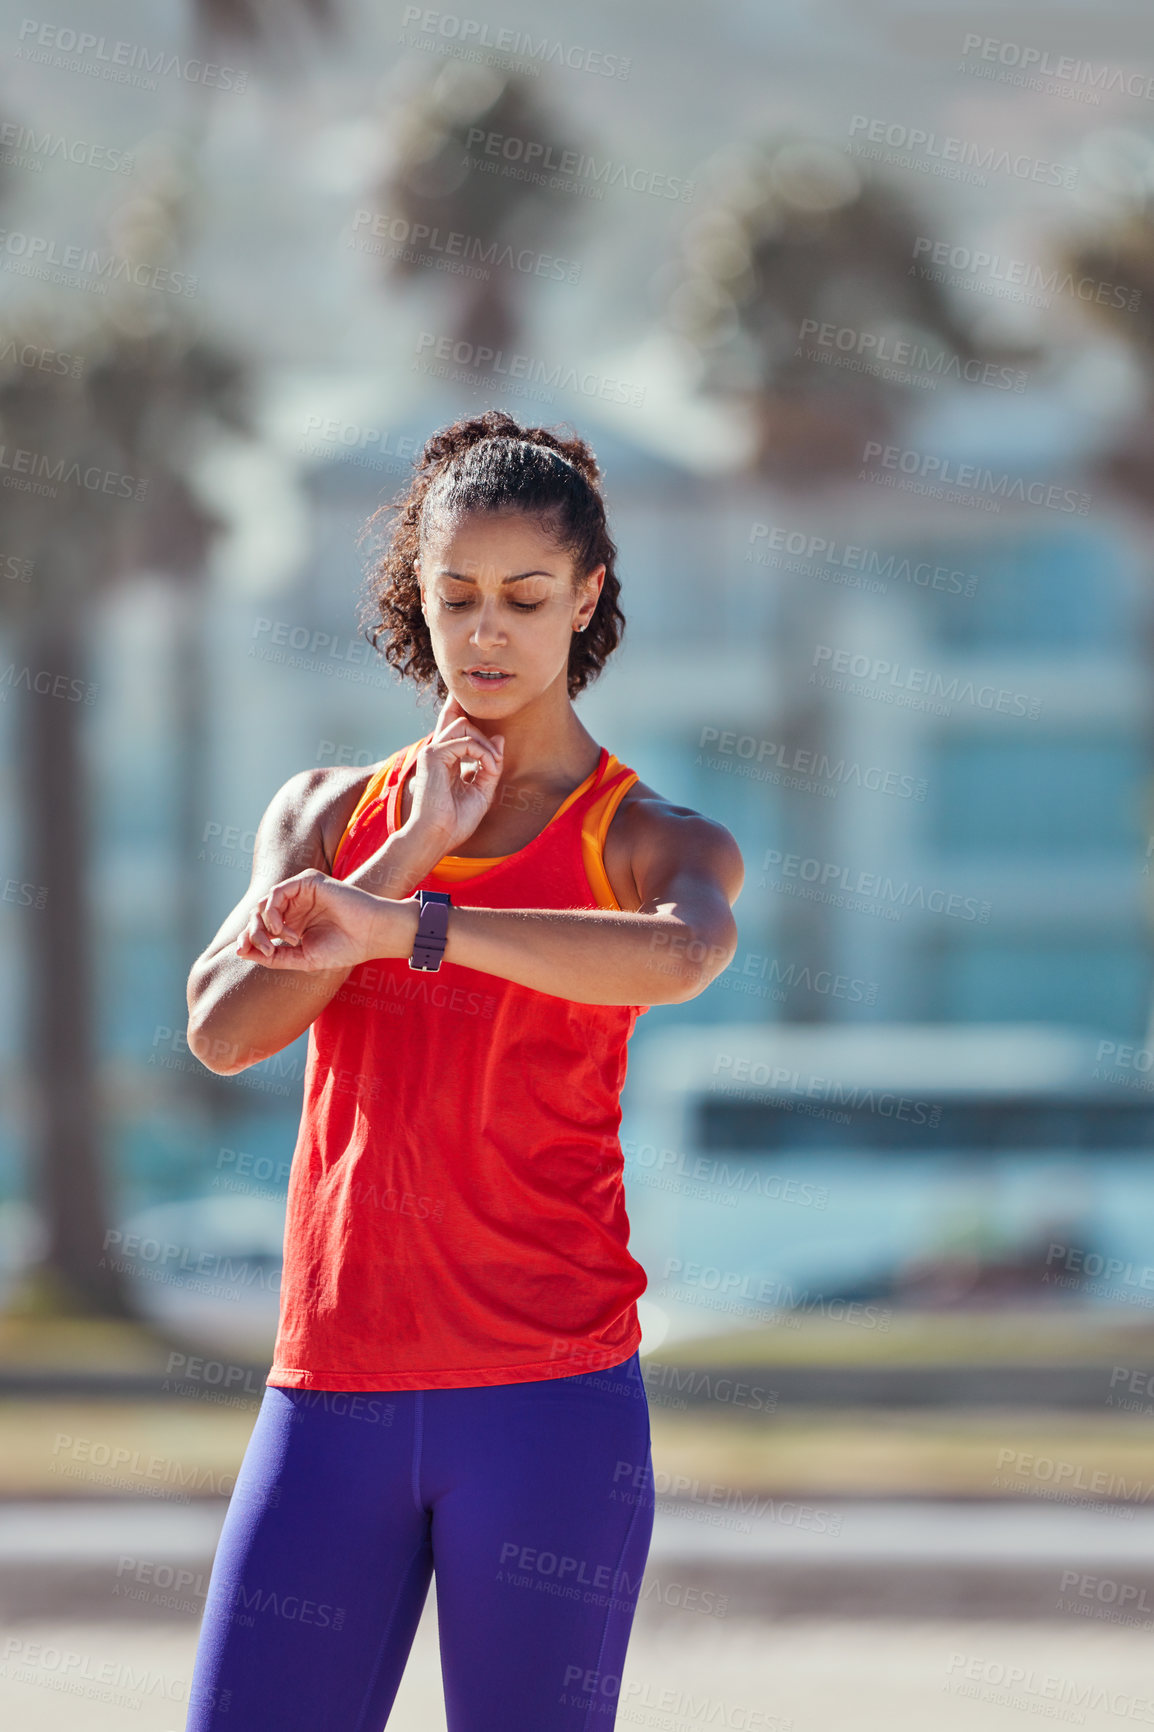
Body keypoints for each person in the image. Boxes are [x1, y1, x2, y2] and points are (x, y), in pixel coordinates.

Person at [182, 408, 744, 1730]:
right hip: (329, 1400)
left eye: (524, 598)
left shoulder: (653, 838)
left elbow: (677, 960)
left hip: (548, 1406)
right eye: (457, 598)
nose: (487, 632)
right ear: (415, 601)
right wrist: (397, 862)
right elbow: (223, 1030)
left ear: (586, 599)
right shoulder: (328, 813)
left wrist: (411, 930)